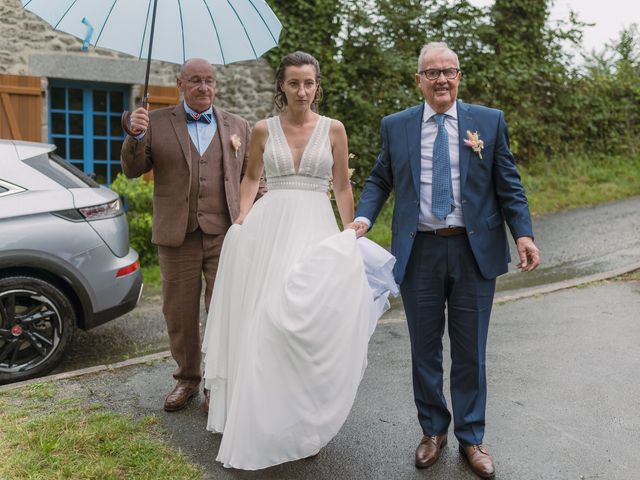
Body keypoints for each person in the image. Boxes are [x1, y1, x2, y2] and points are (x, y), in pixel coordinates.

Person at [349, 42, 540, 478]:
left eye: (448, 71)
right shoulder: (396, 126)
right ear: (418, 80)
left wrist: (523, 234)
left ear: (459, 76)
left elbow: (508, 183)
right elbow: (381, 177)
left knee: (471, 350)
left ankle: (472, 437)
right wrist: (363, 217)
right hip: (420, 252)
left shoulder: (488, 122)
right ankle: (432, 430)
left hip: (475, 252)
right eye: (431, 72)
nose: (441, 79)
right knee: (425, 350)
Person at [201, 51, 396, 470]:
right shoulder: (260, 130)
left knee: (310, 326)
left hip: (316, 230)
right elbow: (252, 178)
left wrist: (350, 234)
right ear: (281, 87)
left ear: (317, 85)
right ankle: (261, 417)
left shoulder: (334, 130)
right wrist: (243, 217)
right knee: (267, 323)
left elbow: (342, 186)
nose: (302, 91)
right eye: (294, 83)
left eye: (309, 83)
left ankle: (306, 422)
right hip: (269, 234)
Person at [121, 58, 263, 413]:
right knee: (179, 312)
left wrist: (264, 215)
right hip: (177, 234)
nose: (204, 87)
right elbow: (133, 169)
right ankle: (187, 378)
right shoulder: (154, 121)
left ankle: (217, 380)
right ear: (180, 84)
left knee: (223, 310)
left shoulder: (238, 125)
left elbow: (252, 178)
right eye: (196, 80)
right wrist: (135, 135)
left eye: (210, 81)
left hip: (226, 234)